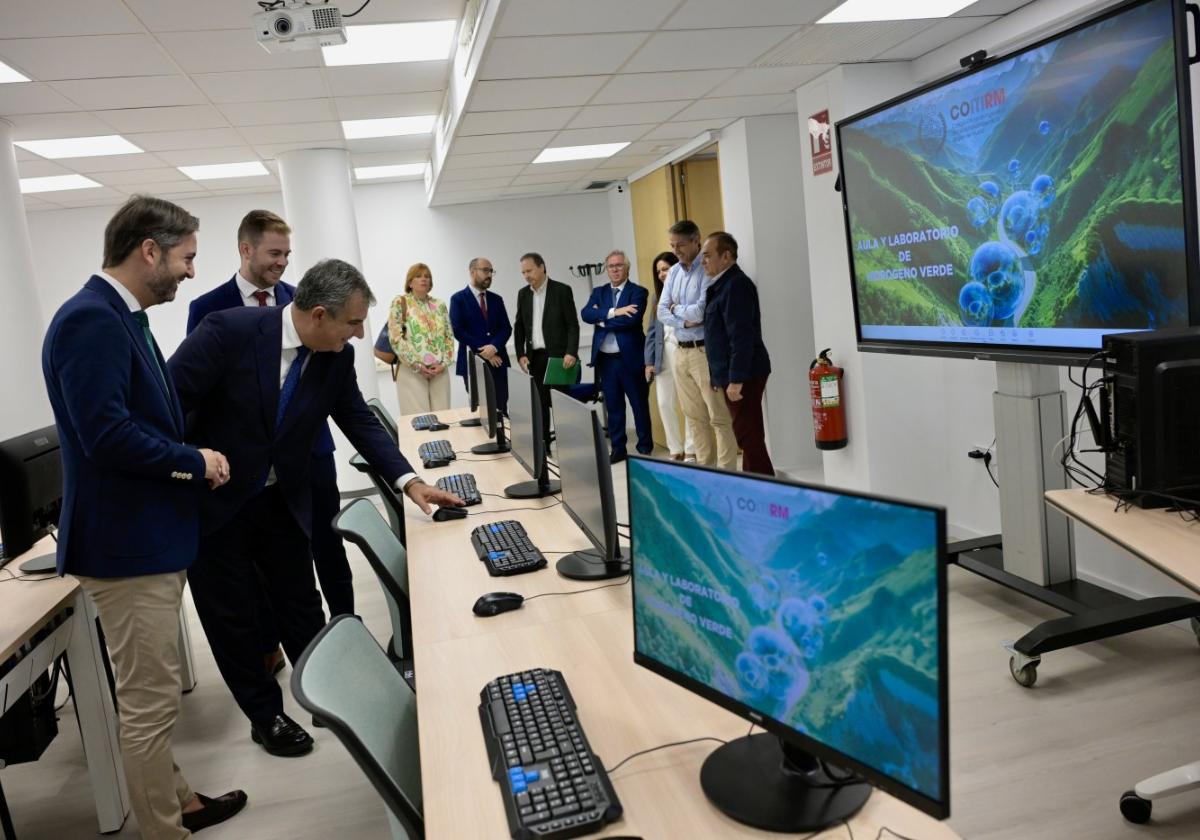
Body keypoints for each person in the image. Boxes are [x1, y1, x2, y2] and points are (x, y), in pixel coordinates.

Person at [168, 258, 461, 758]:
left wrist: (408, 482)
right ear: (320, 315)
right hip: (214, 505)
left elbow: (358, 420)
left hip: (280, 500)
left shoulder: (333, 358)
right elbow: (167, 403)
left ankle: (326, 696)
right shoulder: (227, 331)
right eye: (353, 322)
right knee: (233, 619)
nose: (361, 333)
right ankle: (267, 717)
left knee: (301, 603)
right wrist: (187, 463)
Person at [41, 195, 246, 839]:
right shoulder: (91, 321)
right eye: (185, 258)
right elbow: (107, 436)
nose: (191, 273)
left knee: (149, 702)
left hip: (144, 538)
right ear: (148, 250)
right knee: (149, 707)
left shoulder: (120, 316)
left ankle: (178, 801)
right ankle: (166, 832)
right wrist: (193, 461)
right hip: (125, 547)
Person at [186, 210, 354, 684]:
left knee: (318, 560)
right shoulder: (212, 312)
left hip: (304, 459)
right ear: (246, 249)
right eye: (273, 253)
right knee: (252, 585)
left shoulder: (304, 301)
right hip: (238, 477)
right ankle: (268, 657)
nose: (282, 263)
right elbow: (194, 398)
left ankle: (335, 655)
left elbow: (348, 405)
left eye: (287, 254)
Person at [656, 219, 737, 471]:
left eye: (680, 244)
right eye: (672, 245)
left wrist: (676, 311)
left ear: (696, 240)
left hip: (704, 352)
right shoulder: (675, 273)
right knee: (694, 418)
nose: (676, 249)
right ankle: (706, 470)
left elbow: (701, 312)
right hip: (680, 352)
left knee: (718, 417)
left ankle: (726, 473)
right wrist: (684, 319)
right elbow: (661, 311)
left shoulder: (707, 268)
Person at [701, 231, 774, 476]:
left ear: (726, 256)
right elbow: (718, 337)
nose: (704, 262)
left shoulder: (736, 285)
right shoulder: (721, 285)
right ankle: (757, 485)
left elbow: (740, 336)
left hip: (745, 373)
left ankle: (766, 489)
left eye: (708, 256)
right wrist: (717, 376)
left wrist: (736, 379)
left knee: (749, 436)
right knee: (747, 434)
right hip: (731, 373)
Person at [582, 249, 653, 463]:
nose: (615, 269)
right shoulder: (599, 292)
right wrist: (614, 312)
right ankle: (618, 449)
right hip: (606, 360)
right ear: (607, 269)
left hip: (630, 358)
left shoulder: (638, 292)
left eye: (619, 265)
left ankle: (644, 448)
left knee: (639, 405)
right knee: (613, 406)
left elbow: (630, 320)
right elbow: (586, 314)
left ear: (627, 268)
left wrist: (601, 317)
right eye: (611, 266)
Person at [513, 252, 579, 443]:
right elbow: (519, 327)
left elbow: (572, 325)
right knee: (539, 405)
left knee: (560, 405)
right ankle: (544, 448)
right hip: (535, 358)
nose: (526, 275)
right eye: (523, 272)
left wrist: (571, 352)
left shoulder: (562, 290)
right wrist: (520, 354)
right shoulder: (523, 294)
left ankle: (567, 443)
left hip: (559, 359)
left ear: (542, 267)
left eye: (530, 270)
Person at [643, 251, 696, 462]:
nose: (662, 274)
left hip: (683, 350)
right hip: (662, 354)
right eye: (658, 271)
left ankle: (691, 448)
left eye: (665, 269)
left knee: (688, 402)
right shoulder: (657, 297)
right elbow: (651, 331)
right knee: (664, 402)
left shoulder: (686, 292)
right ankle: (675, 448)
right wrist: (648, 361)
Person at [388, 262, 454, 414]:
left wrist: (444, 364)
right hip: (412, 371)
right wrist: (416, 365)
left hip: (439, 371)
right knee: (419, 422)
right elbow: (395, 338)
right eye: (418, 276)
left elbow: (449, 337)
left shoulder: (440, 305)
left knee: (443, 418)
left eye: (427, 276)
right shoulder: (400, 302)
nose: (424, 279)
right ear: (410, 282)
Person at [449, 257, 511, 414]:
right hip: (473, 363)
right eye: (485, 270)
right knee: (482, 412)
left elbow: (506, 328)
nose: (489, 274)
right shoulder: (458, 299)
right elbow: (458, 330)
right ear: (472, 272)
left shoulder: (496, 299)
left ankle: (503, 439)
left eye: (491, 271)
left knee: (501, 409)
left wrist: (494, 347)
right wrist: (486, 351)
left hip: (499, 363)